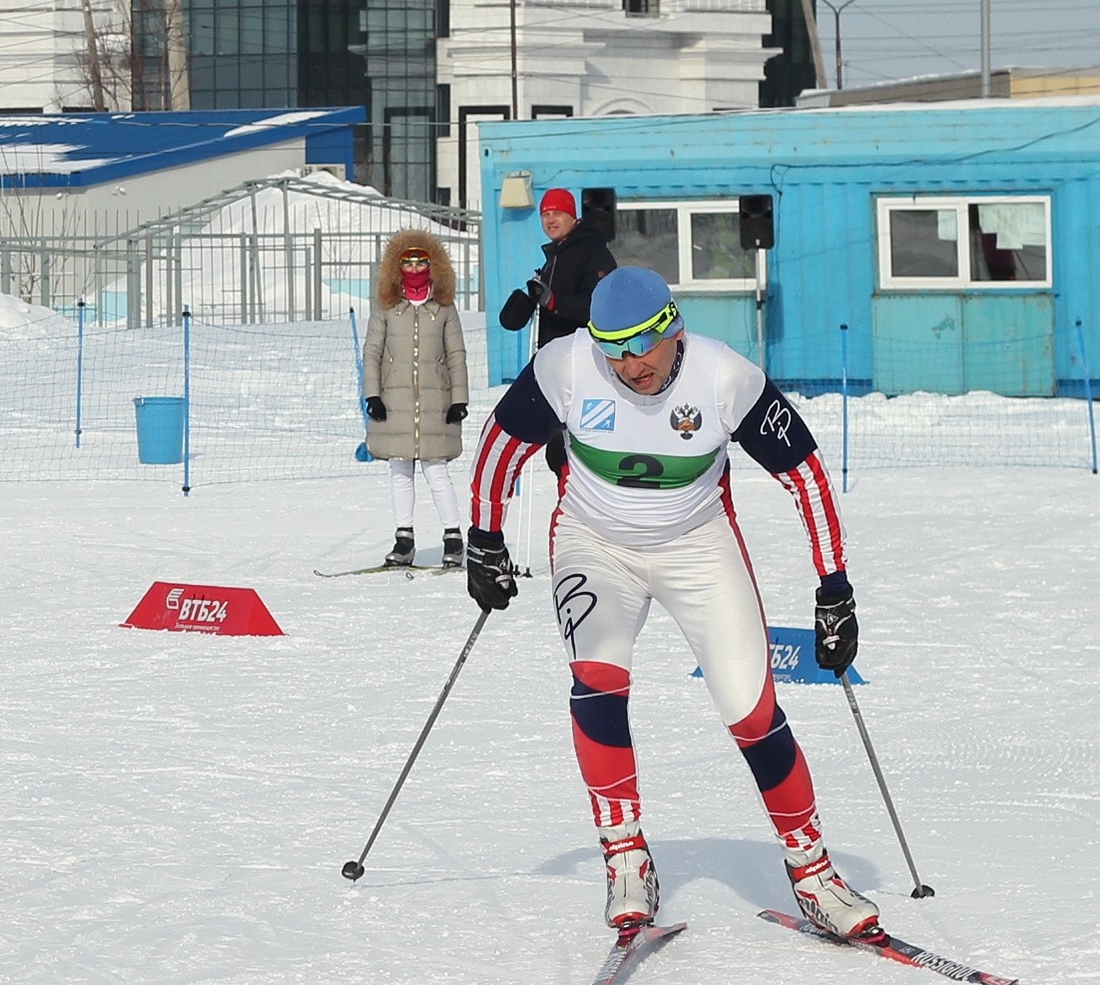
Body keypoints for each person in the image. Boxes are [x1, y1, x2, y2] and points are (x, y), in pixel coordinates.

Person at [463, 266, 878, 939]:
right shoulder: (565, 366)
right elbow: (497, 449)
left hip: (696, 544)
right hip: (593, 541)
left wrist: (833, 588)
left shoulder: (723, 377)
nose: (629, 365)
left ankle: (814, 873)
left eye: (641, 346)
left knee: (750, 711)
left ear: (672, 328)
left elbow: (804, 475)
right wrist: (483, 541)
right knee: (596, 679)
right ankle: (625, 855)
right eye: (613, 349)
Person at [361, 228, 470, 570]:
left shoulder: (444, 308)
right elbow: (372, 352)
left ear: (433, 263)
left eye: (420, 261)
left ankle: (453, 537)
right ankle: (404, 537)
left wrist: (459, 398)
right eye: (406, 261)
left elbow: (456, 355)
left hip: (436, 404)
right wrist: (373, 394)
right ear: (396, 266)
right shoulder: (386, 307)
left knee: (437, 471)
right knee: (399, 470)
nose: (412, 267)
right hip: (395, 404)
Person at [499, 187, 616, 346]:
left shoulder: (592, 252)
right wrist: (528, 301)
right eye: (545, 214)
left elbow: (602, 306)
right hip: (553, 355)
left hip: (583, 355)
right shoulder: (555, 257)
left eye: (558, 213)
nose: (551, 220)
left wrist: (554, 302)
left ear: (573, 218)